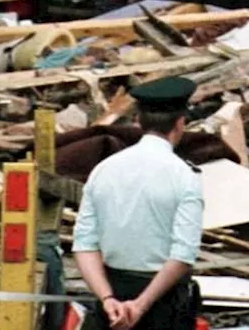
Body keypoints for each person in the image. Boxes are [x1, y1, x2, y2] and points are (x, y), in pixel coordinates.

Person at [72, 76, 204, 330]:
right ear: (180, 123)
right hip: (162, 301)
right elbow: (183, 253)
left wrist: (108, 299)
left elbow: (85, 244)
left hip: (111, 296)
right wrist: (141, 305)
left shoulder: (103, 169)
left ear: (137, 121)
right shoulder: (184, 176)